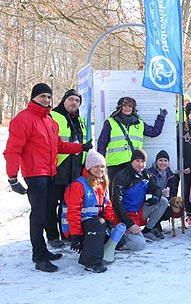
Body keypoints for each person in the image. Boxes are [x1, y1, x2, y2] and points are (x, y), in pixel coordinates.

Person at [4, 83, 90, 272]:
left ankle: (43, 250)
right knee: (39, 215)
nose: (46, 100)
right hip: (35, 175)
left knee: (46, 212)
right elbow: (12, 150)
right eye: (42, 96)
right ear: (34, 97)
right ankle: (39, 257)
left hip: (51, 172)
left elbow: (59, 146)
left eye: (49, 96)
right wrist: (12, 178)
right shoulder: (23, 119)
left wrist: (81, 148)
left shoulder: (50, 121)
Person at [64, 150, 118, 273]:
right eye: (96, 166)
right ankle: (91, 261)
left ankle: (93, 248)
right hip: (79, 225)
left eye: (102, 166)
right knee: (98, 223)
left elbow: (107, 204)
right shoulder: (79, 185)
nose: (100, 169)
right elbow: (73, 211)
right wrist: (76, 234)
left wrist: (110, 221)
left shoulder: (102, 183)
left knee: (118, 239)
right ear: (89, 167)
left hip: (93, 223)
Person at [48, 88, 88, 248]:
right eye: (71, 99)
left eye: (77, 101)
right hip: (58, 166)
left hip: (76, 167)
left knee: (70, 204)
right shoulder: (53, 116)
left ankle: (67, 232)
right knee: (52, 204)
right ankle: (52, 235)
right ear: (64, 100)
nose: (74, 103)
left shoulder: (81, 120)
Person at [97, 96, 166, 186]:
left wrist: (161, 117)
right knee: (116, 194)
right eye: (125, 105)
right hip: (116, 164)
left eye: (130, 106)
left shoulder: (139, 123)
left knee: (133, 193)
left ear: (133, 108)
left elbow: (154, 132)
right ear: (119, 107)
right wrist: (100, 163)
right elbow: (102, 143)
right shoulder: (110, 123)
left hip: (134, 164)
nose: (127, 108)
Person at [111, 149, 169, 250]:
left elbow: (156, 188)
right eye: (137, 161)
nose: (140, 164)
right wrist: (130, 224)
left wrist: (155, 197)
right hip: (125, 216)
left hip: (139, 211)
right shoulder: (122, 176)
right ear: (131, 161)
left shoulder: (145, 174)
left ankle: (147, 230)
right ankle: (120, 235)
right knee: (139, 246)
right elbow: (116, 203)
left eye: (143, 161)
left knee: (163, 201)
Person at [148, 150, 180, 229]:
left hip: (164, 202)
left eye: (165, 161)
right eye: (160, 160)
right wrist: (158, 193)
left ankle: (156, 222)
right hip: (152, 201)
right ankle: (153, 225)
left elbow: (173, 193)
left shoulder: (171, 176)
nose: (163, 163)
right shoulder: (149, 174)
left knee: (168, 213)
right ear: (156, 162)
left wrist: (168, 196)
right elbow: (146, 190)